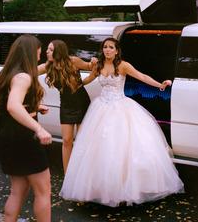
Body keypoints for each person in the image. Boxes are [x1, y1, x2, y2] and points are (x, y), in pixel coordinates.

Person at [59, 37, 184, 207]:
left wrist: (159, 85)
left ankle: (125, 189)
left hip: (120, 107)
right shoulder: (99, 65)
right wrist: (73, 82)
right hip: (100, 108)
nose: (107, 50)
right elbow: (87, 80)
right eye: (105, 47)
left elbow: (141, 76)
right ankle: (102, 189)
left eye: (111, 47)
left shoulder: (123, 65)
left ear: (117, 51)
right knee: (99, 150)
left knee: (121, 148)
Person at [0, 34, 52, 222]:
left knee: (18, 191)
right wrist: (38, 128)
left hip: (8, 134)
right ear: (29, 51)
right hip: (23, 137)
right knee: (43, 191)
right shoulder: (23, 77)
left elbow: (11, 103)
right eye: (38, 51)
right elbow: (13, 105)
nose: (40, 55)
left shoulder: (9, 72)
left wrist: (34, 108)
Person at [38, 39, 95, 173]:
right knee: (67, 140)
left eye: (51, 50)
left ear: (59, 51)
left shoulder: (73, 61)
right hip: (66, 106)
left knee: (81, 141)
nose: (47, 52)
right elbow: (28, 72)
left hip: (82, 103)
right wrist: (5, 76)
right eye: (47, 49)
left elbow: (89, 66)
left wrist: (93, 61)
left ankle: (82, 173)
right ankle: (67, 173)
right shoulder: (48, 66)